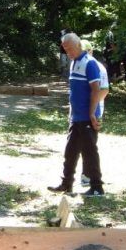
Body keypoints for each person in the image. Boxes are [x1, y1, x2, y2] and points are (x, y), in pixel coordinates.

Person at [48, 32, 105, 197]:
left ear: (79, 45)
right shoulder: (73, 63)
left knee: (89, 152)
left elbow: (96, 90)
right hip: (76, 117)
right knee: (70, 152)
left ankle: (97, 187)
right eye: (65, 50)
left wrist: (92, 113)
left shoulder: (90, 63)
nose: (68, 53)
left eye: (70, 49)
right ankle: (67, 184)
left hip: (88, 117)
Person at [79, 40, 109, 187]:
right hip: (79, 112)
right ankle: (86, 175)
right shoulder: (79, 64)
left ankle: (88, 176)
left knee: (90, 144)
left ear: (90, 51)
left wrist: (93, 108)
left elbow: (104, 90)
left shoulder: (98, 67)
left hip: (94, 111)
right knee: (82, 143)